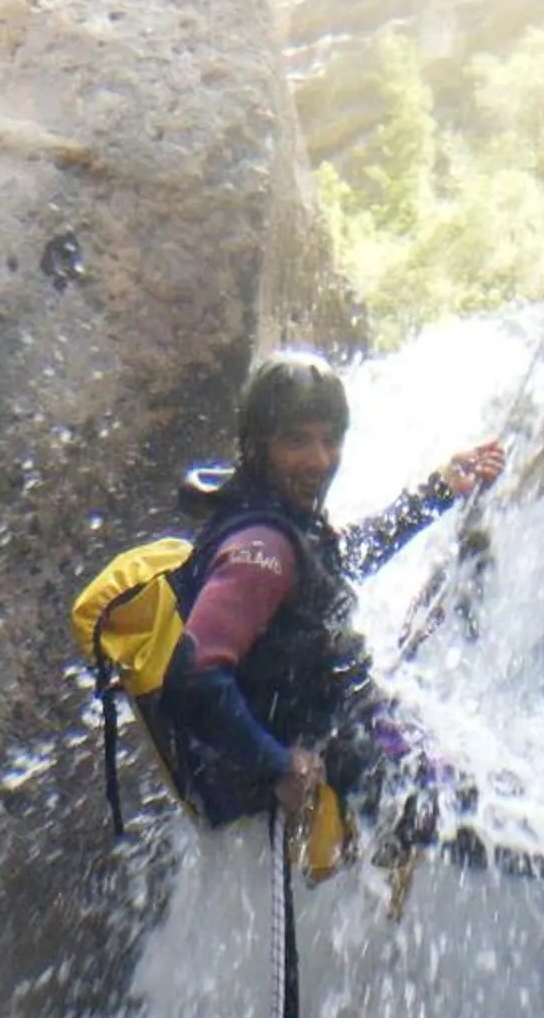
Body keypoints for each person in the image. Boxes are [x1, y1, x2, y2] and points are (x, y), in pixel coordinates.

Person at [151, 348, 505, 860]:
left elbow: (336, 562)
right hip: (341, 756)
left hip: (354, 728)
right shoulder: (262, 550)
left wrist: (438, 491)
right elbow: (190, 681)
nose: (319, 460)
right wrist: (278, 763)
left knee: (489, 797)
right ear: (257, 446)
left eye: (330, 440)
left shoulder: (277, 517)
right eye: (296, 441)